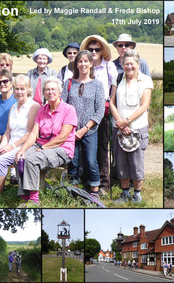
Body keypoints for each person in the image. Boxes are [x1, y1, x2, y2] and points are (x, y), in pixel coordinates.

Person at [15, 77, 78, 205]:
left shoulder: (69, 110)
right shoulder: (42, 110)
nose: (50, 92)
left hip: (62, 149)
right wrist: (22, 149)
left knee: (32, 159)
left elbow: (62, 138)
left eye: (53, 89)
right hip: (42, 145)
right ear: (43, 93)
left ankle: (34, 199)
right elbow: (34, 133)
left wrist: (43, 148)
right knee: (20, 158)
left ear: (60, 92)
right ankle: (25, 196)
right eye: (47, 90)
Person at [0, 75, 40, 199]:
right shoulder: (13, 107)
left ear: (28, 90)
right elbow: (8, 131)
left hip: (22, 146)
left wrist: (11, 146)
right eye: (17, 89)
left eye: (22, 89)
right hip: (10, 144)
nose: (19, 92)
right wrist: (2, 146)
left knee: (0, 160)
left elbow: (30, 133)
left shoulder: (33, 106)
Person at [110, 50, 153, 204]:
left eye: (131, 64)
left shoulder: (146, 80)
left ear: (138, 64)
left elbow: (144, 106)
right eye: (126, 63)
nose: (128, 66)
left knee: (136, 163)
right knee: (121, 162)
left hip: (137, 127)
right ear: (122, 64)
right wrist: (120, 123)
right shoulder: (118, 78)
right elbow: (111, 102)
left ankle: (137, 194)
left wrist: (127, 121)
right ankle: (124, 193)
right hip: (120, 127)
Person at [61, 50, 105, 198]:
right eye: (80, 61)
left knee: (90, 161)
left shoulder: (98, 85)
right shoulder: (69, 83)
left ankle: (94, 191)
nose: (83, 64)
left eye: (86, 61)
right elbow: (62, 107)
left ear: (91, 64)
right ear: (76, 64)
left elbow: (99, 111)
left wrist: (85, 129)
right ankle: (73, 189)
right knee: (72, 161)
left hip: (90, 130)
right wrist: (70, 129)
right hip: (70, 130)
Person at [80, 35, 118, 195]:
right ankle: (88, 181)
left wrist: (110, 106)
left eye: (97, 49)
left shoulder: (109, 67)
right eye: (90, 49)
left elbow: (113, 89)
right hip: (85, 111)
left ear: (103, 51)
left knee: (102, 148)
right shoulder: (84, 67)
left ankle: (103, 184)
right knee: (87, 149)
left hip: (102, 111)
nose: (94, 52)